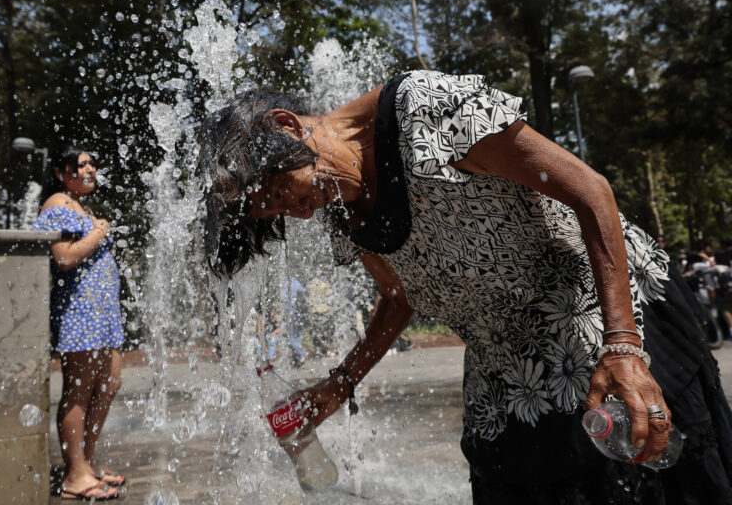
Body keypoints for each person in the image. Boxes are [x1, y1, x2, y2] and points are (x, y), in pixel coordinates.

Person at [199, 71, 732, 503]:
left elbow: (592, 192)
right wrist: (341, 383)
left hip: (604, 322)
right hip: (505, 367)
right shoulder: (340, 208)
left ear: (287, 125)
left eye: (275, 189)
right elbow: (399, 295)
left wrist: (624, 346)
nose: (291, 211)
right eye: (268, 210)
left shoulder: (425, 108)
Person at [32, 146, 124, 501]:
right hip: (80, 311)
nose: (89, 169)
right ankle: (75, 475)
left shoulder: (81, 207)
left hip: (102, 314)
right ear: (60, 172)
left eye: (91, 163)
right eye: (80, 164)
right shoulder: (57, 203)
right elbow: (64, 258)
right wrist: (100, 232)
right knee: (79, 391)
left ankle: (86, 461)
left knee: (111, 382)